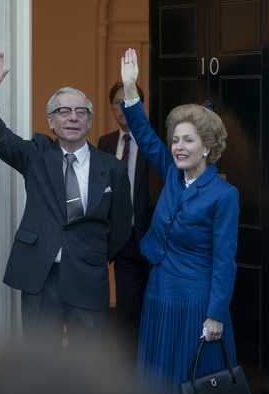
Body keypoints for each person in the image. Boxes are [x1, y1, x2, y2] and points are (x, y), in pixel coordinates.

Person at [0, 48, 133, 348]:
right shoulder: (36, 155)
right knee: (37, 362)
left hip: (87, 276)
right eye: (64, 111)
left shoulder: (112, 169)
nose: (73, 117)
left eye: (80, 111)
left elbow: (121, 228)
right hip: (40, 277)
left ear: (89, 121)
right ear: (51, 121)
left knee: (88, 365)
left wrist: (91, 253)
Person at [119, 48, 240, 393]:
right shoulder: (173, 173)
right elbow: (143, 133)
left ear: (207, 147)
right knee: (158, 374)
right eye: (175, 140)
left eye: (188, 140)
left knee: (192, 377)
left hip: (196, 301)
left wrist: (216, 313)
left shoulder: (223, 194)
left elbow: (224, 260)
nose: (178, 146)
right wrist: (130, 87)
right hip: (159, 291)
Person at [96, 81, 155, 364]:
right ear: (111, 107)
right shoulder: (105, 143)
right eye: (117, 102)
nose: (122, 107)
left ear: (140, 106)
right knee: (127, 313)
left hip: (155, 240)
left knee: (155, 311)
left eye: (128, 101)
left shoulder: (155, 143)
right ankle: (128, 375)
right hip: (123, 241)